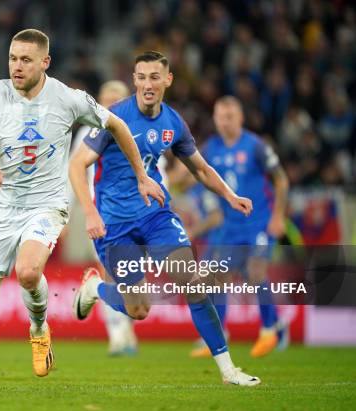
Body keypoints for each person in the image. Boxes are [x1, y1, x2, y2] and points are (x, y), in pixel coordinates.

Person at [0, 29, 164, 389]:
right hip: (2, 204)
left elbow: (118, 124)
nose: (17, 66)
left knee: (28, 272)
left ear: (45, 62)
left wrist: (141, 174)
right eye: (13, 58)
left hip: (46, 204)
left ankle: (39, 329)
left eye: (26, 59)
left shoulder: (68, 99)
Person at [70, 51, 261, 386]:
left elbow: (199, 168)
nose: (147, 84)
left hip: (156, 215)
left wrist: (230, 196)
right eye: (141, 77)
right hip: (114, 224)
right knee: (139, 310)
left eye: (154, 77)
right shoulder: (113, 117)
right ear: (134, 80)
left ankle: (229, 370)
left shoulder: (173, 122)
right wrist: (89, 212)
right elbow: (76, 165)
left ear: (167, 80)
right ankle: (94, 288)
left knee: (193, 282)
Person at [193, 96, 290, 358]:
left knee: (255, 273)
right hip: (229, 229)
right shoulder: (211, 149)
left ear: (241, 118)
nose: (225, 121)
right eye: (221, 116)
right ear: (214, 119)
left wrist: (278, 216)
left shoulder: (256, 146)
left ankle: (269, 330)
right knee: (218, 280)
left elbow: (281, 180)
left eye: (230, 116)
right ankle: (220, 334)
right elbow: (196, 172)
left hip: (258, 223)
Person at [71, 80, 139, 356]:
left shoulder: (136, 130)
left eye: (117, 98)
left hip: (139, 213)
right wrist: (65, 214)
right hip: (101, 213)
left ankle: (126, 332)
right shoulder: (88, 131)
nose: (111, 103)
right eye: (106, 97)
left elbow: (156, 171)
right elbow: (73, 170)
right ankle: (117, 334)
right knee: (112, 272)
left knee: (131, 277)